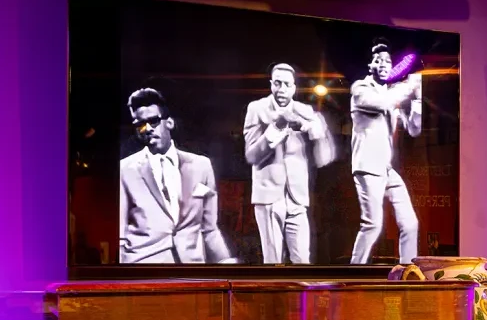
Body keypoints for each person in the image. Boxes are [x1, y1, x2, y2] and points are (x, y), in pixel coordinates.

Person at [118, 88, 234, 263]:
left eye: (153, 121)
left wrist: (227, 263)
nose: (147, 129)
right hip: (143, 269)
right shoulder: (125, 169)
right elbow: (120, 235)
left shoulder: (201, 166)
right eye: (140, 124)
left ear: (169, 123)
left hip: (191, 271)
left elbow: (209, 229)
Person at [242, 63, 335, 264]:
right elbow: (251, 156)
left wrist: (315, 132)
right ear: (271, 85)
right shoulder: (256, 109)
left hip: (297, 198)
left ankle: (302, 297)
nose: (281, 89)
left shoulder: (305, 111)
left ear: (294, 88)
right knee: (273, 262)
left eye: (286, 84)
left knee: (303, 261)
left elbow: (324, 159)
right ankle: (274, 297)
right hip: (268, 196)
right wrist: (277, 126)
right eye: (277, 83)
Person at [349, 40, 423, 264]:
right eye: (378, 60)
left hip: (386, 169)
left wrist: (418, 100)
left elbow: (414, 129)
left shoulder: (392, 95)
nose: (383, 64)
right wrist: (410, 84)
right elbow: (383, 104)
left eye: (388, 61)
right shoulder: (360, 89)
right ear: (370, 65)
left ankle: (407, 271)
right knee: (373, 225)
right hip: (368, 167)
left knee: (410, 223)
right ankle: (353, 272)